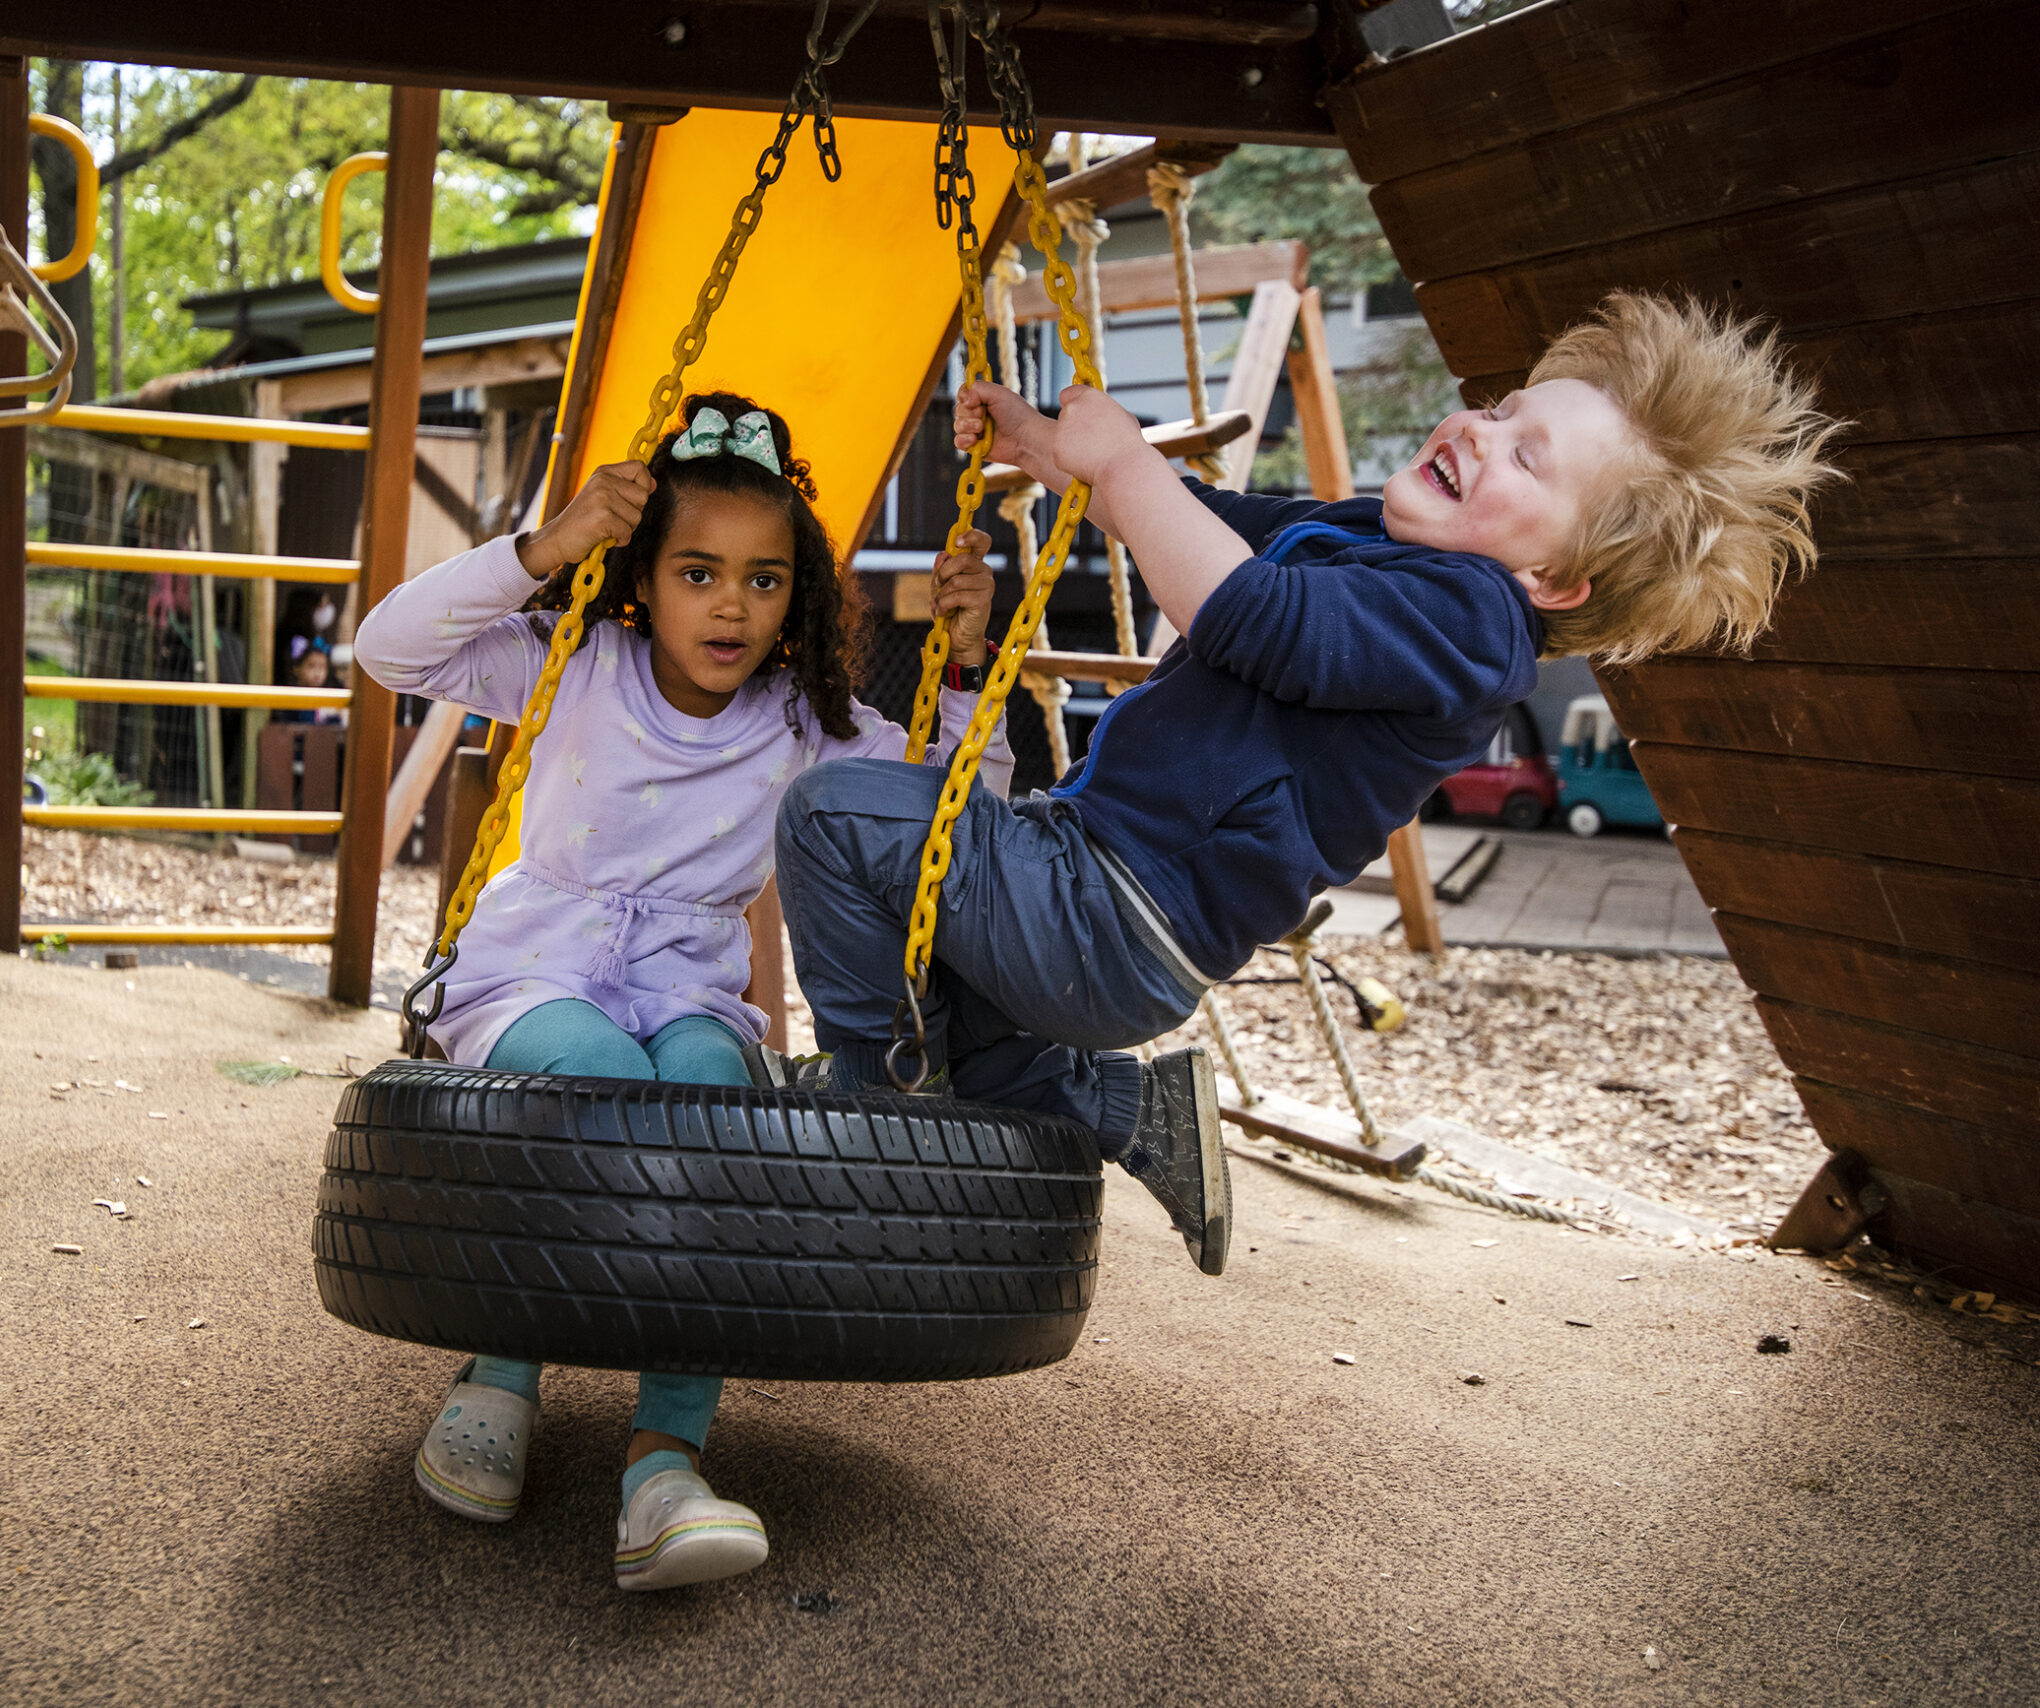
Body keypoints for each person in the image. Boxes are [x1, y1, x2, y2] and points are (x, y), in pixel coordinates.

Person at [775, 290, 1846, 1276]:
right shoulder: (1363, 534)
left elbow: (1247, 615)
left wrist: (1128, 463)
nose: (1477, 428)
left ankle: (873, 1100)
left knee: (831, 818)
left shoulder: (1473, 627)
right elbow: (1205, 525)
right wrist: (1057, 455)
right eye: (1499, 407)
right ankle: (1125, 1105)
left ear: (1552, 578)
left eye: (1528, 455)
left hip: (1115, 915)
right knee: (963, 1004)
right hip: (1100, 898)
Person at [351, 391, 1007, 1591]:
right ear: (641, 579)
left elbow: (959, 811)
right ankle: (500, 1374)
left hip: (691, 984)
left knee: (713, 1101)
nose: (730, 606)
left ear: (795, 595)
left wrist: (965, 666)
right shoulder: (575, 660)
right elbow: (387, 650)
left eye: (763, 581)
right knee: (595, 1082)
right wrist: (543, 550)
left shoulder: (803, 722)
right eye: (697, 572)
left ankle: (665, 1464)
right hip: (533, 962)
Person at [274, 635, 346, 724]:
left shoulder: (333, 695)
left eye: (322, 667)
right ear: (297, 668)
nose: (317, 673)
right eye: (311, 666)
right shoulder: (290, 698)